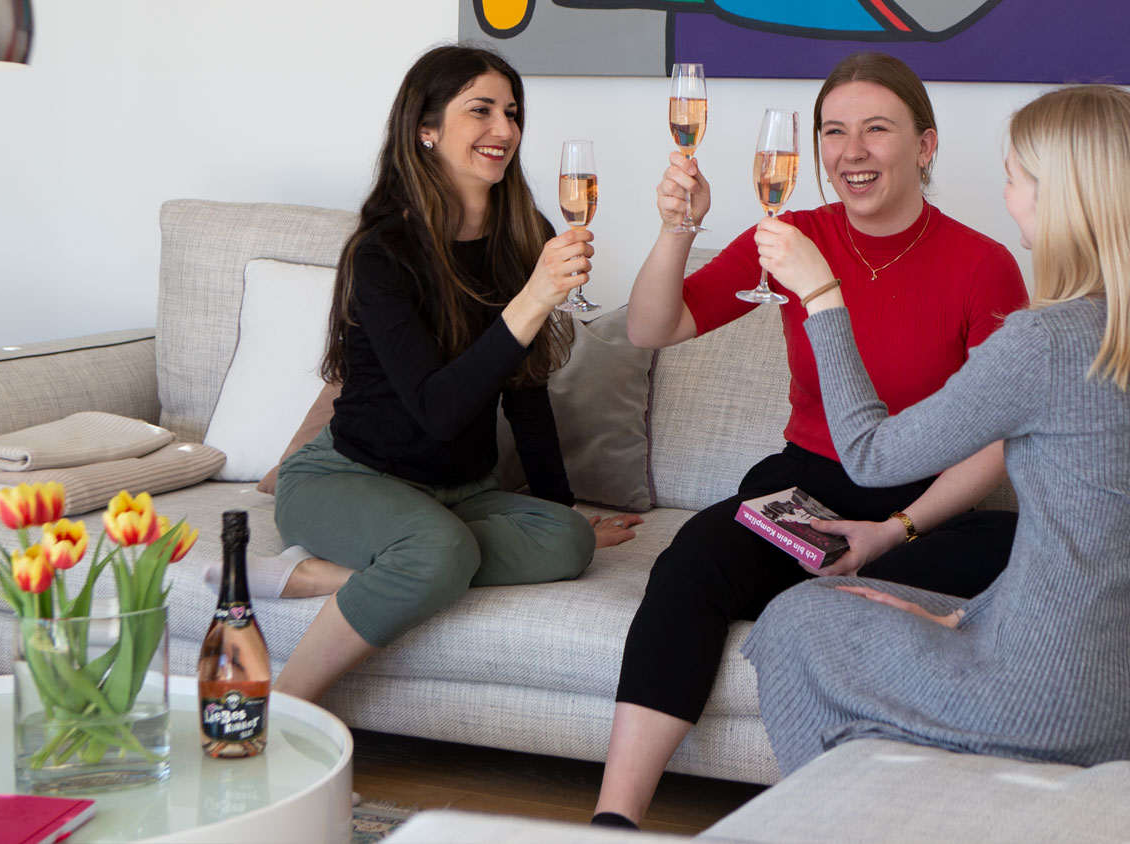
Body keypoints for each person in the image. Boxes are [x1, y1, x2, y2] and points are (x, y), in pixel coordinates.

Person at [592, 52, 1028, 829]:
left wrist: (894, 531)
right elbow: (652, 326)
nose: (850, 151)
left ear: (925, 146)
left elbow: (996, 441)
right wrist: (675, 229)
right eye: (833, 131)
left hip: (928, 500)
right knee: (691, 562)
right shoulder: (790, 236)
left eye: (876, 130)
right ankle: (615, 820)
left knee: (1014, 556)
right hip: (808, 486)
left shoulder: (983, 265)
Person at [745, 82, 1130, 773]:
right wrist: (961, 618)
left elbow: (868, 454)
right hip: (1116, 690)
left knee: (795, 620)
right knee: (850, 595)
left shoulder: (1043, 342)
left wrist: (822, 293)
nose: (1006, 195)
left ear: (1059, 196)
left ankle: (833, 819)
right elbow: (1088, 546)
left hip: (1042, 694)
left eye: (1012, 179)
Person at [263, 44, 641, 704]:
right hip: (349, 477)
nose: (504, 130)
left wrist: (562, 508)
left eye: (512, 112)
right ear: (426, 129)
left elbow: (525, 389)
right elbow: (436, 409)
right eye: (481, 111)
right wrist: (531, 302)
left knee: (569, 544)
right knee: (437, 551)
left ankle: (346, 571)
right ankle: (286, 711)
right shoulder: (384, 251)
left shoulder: (525, 234)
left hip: (462, 490)